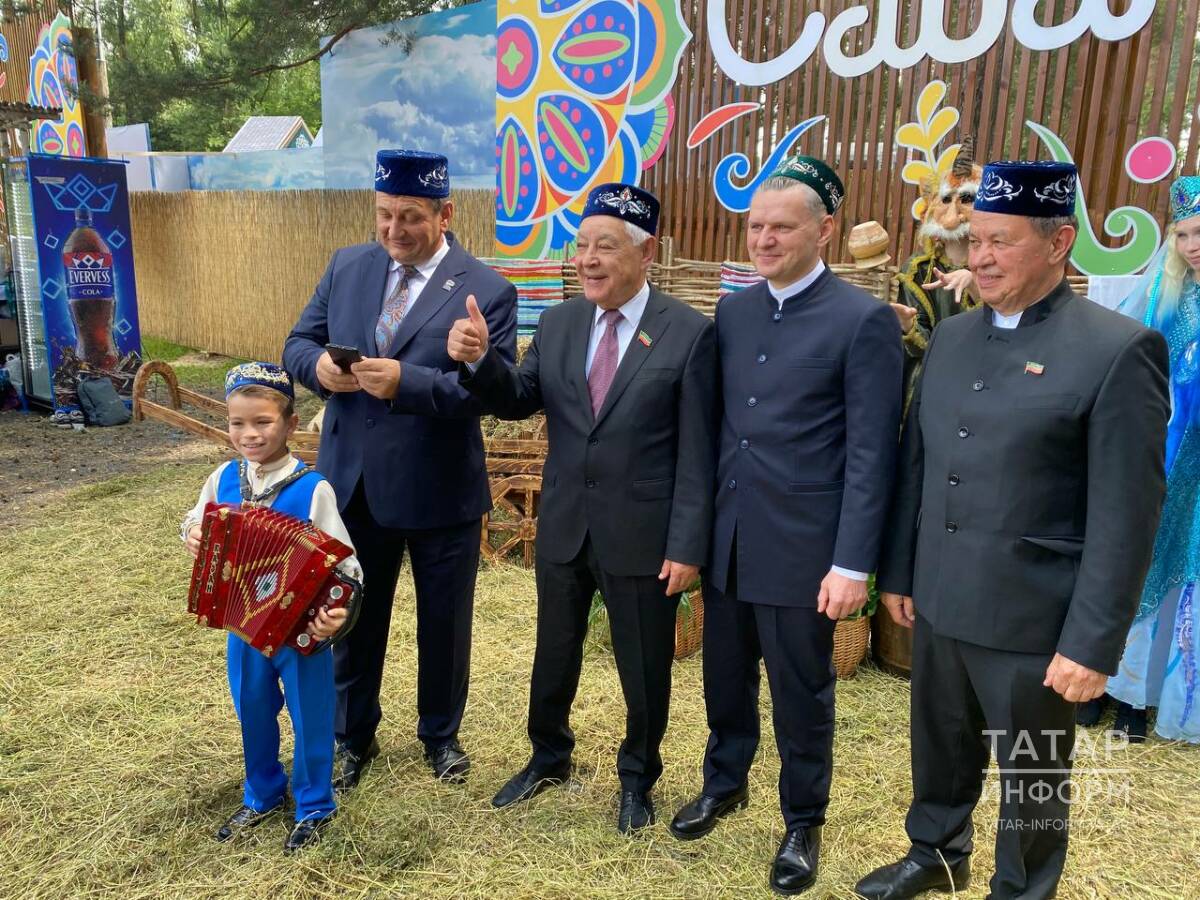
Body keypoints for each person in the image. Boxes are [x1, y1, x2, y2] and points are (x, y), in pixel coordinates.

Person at [855, 161, 1170, 900]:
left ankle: (1023, 887)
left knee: (1031, 775)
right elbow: (918, 461)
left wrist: (1091, 643)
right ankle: (937, 854)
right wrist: (899, 572)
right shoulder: (953, 336)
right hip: (940, 596)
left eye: (1003, 241)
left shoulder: (1117, 349)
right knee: (940, 744)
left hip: (1036, 616)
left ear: (1059, 243)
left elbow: (1127, 515)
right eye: (977, 240)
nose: (983, 257)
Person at [448, 182, 716, 834]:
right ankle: (548, 756)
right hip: (566, 523)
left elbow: (699, 453)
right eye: (582, 245)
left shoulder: (688, 333)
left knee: (643, 666)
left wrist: (687, 544)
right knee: (554, 651)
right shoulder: (561, 322)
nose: (588, 260)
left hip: (643, 532)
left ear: (646, 252)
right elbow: (518, 398)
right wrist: (482, 361)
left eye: (606, 246)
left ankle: (638, 778)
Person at [669, 156, 902, 896]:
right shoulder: (734, 314)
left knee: (802, 695)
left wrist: (853, 563)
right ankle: (725, 781)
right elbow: (714, 432)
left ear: (824, 231)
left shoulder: (861, 320)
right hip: (731, 540)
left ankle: (803, 819)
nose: (763, 240)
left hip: (806, 551)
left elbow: (872, 455)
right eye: (755, 227)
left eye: (782, 228)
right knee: (724, 676)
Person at [283, 149, 517, 791]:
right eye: (384, 214)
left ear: (446, 214)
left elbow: (488, 393)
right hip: (354, 484)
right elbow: (298, 342)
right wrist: (317, 369)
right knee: (352, 616)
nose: (394, 230)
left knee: (445, 623)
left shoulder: (487, 291)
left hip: (441, 488)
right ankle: (351, 736)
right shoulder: (348, 266)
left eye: (410, 217)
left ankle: (440, 736)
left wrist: (406, 383)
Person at [182, 362, 362, 852]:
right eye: (237, 423)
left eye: (262, 422)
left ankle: (315, 805)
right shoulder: (223, 478)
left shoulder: (312, 487)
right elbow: (194, 520)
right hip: (243, 625)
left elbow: (346, 567)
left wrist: (336, 614)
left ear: (290, 422)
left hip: (299, 633)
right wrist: (193, 532)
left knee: (311, 716)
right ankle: (261, 793)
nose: (250, 434)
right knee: (252, 709)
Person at [1096, 175, 1200, 743]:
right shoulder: (1164, 291)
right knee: (1142, 556)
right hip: (1160, 449)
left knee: (1187, 561)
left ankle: (1153, 696)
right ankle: (1117, 686)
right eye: (1182, 235)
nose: (1191, 245)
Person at [892, 136, 982, 418]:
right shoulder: (917, 269)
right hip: (929, 385)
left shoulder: (994, 267)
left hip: (981, 382)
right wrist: (908, 327)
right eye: (946, 199)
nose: (954, 211)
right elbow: (919, 342)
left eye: (967, 198)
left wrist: (975, 284)